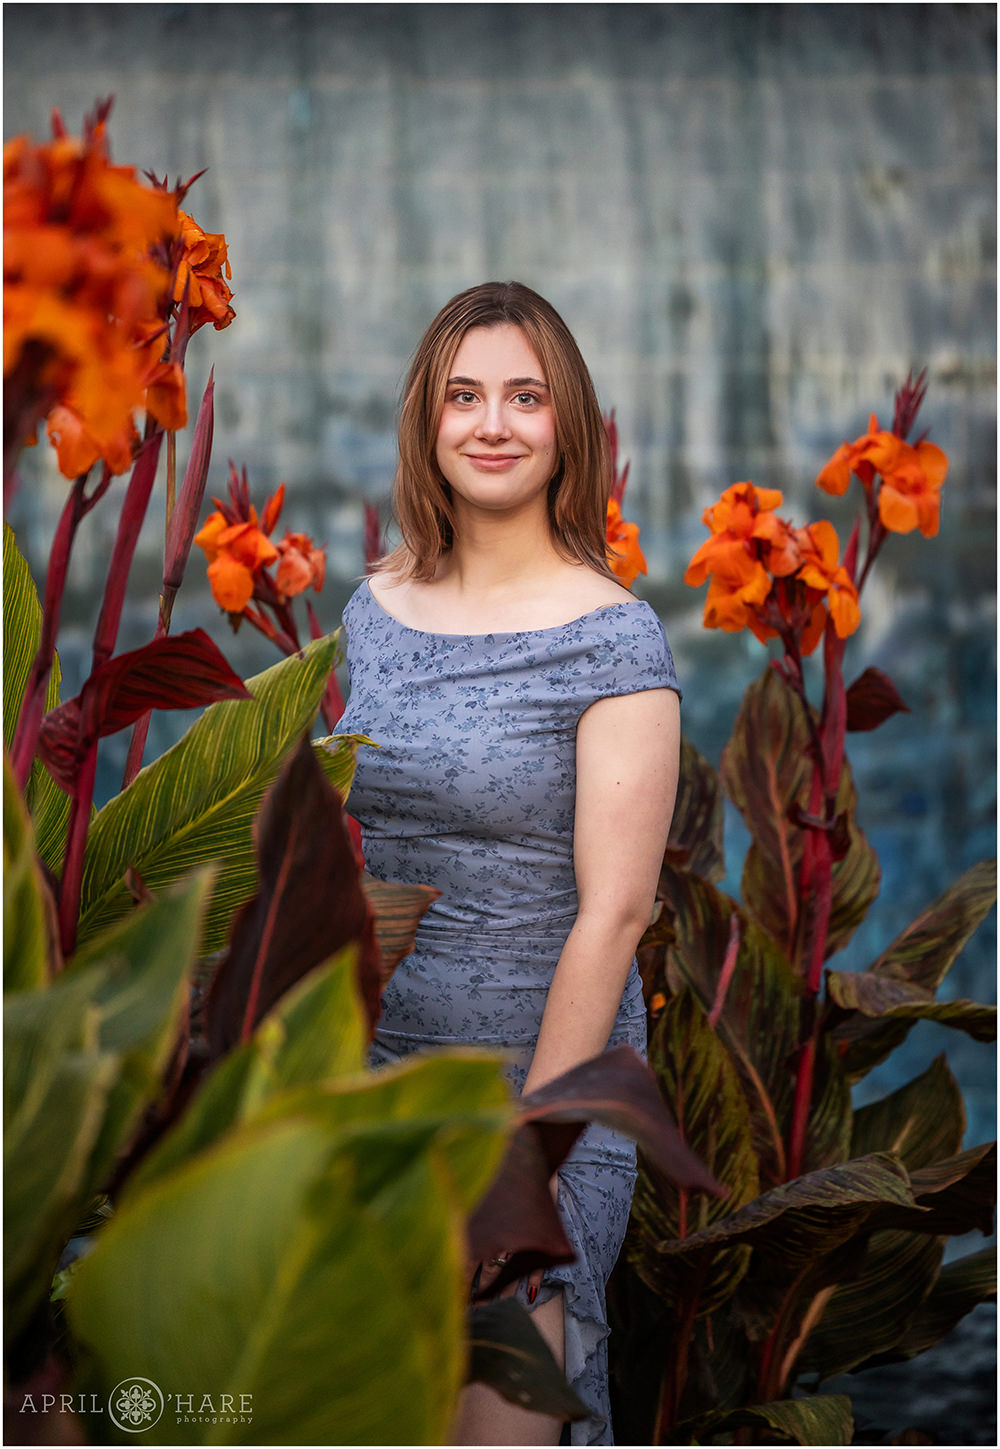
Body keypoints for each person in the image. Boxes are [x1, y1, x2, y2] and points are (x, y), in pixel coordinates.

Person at [335, 281, 681, 1446]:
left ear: (564, 425)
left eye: (524, 397)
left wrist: (524, 1163)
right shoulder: (371, 612)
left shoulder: (610, 636)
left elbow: (616, 912)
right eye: (463, 396)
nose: (492, 423)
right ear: (426, 424)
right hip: (382, 1086)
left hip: (542, 1100)